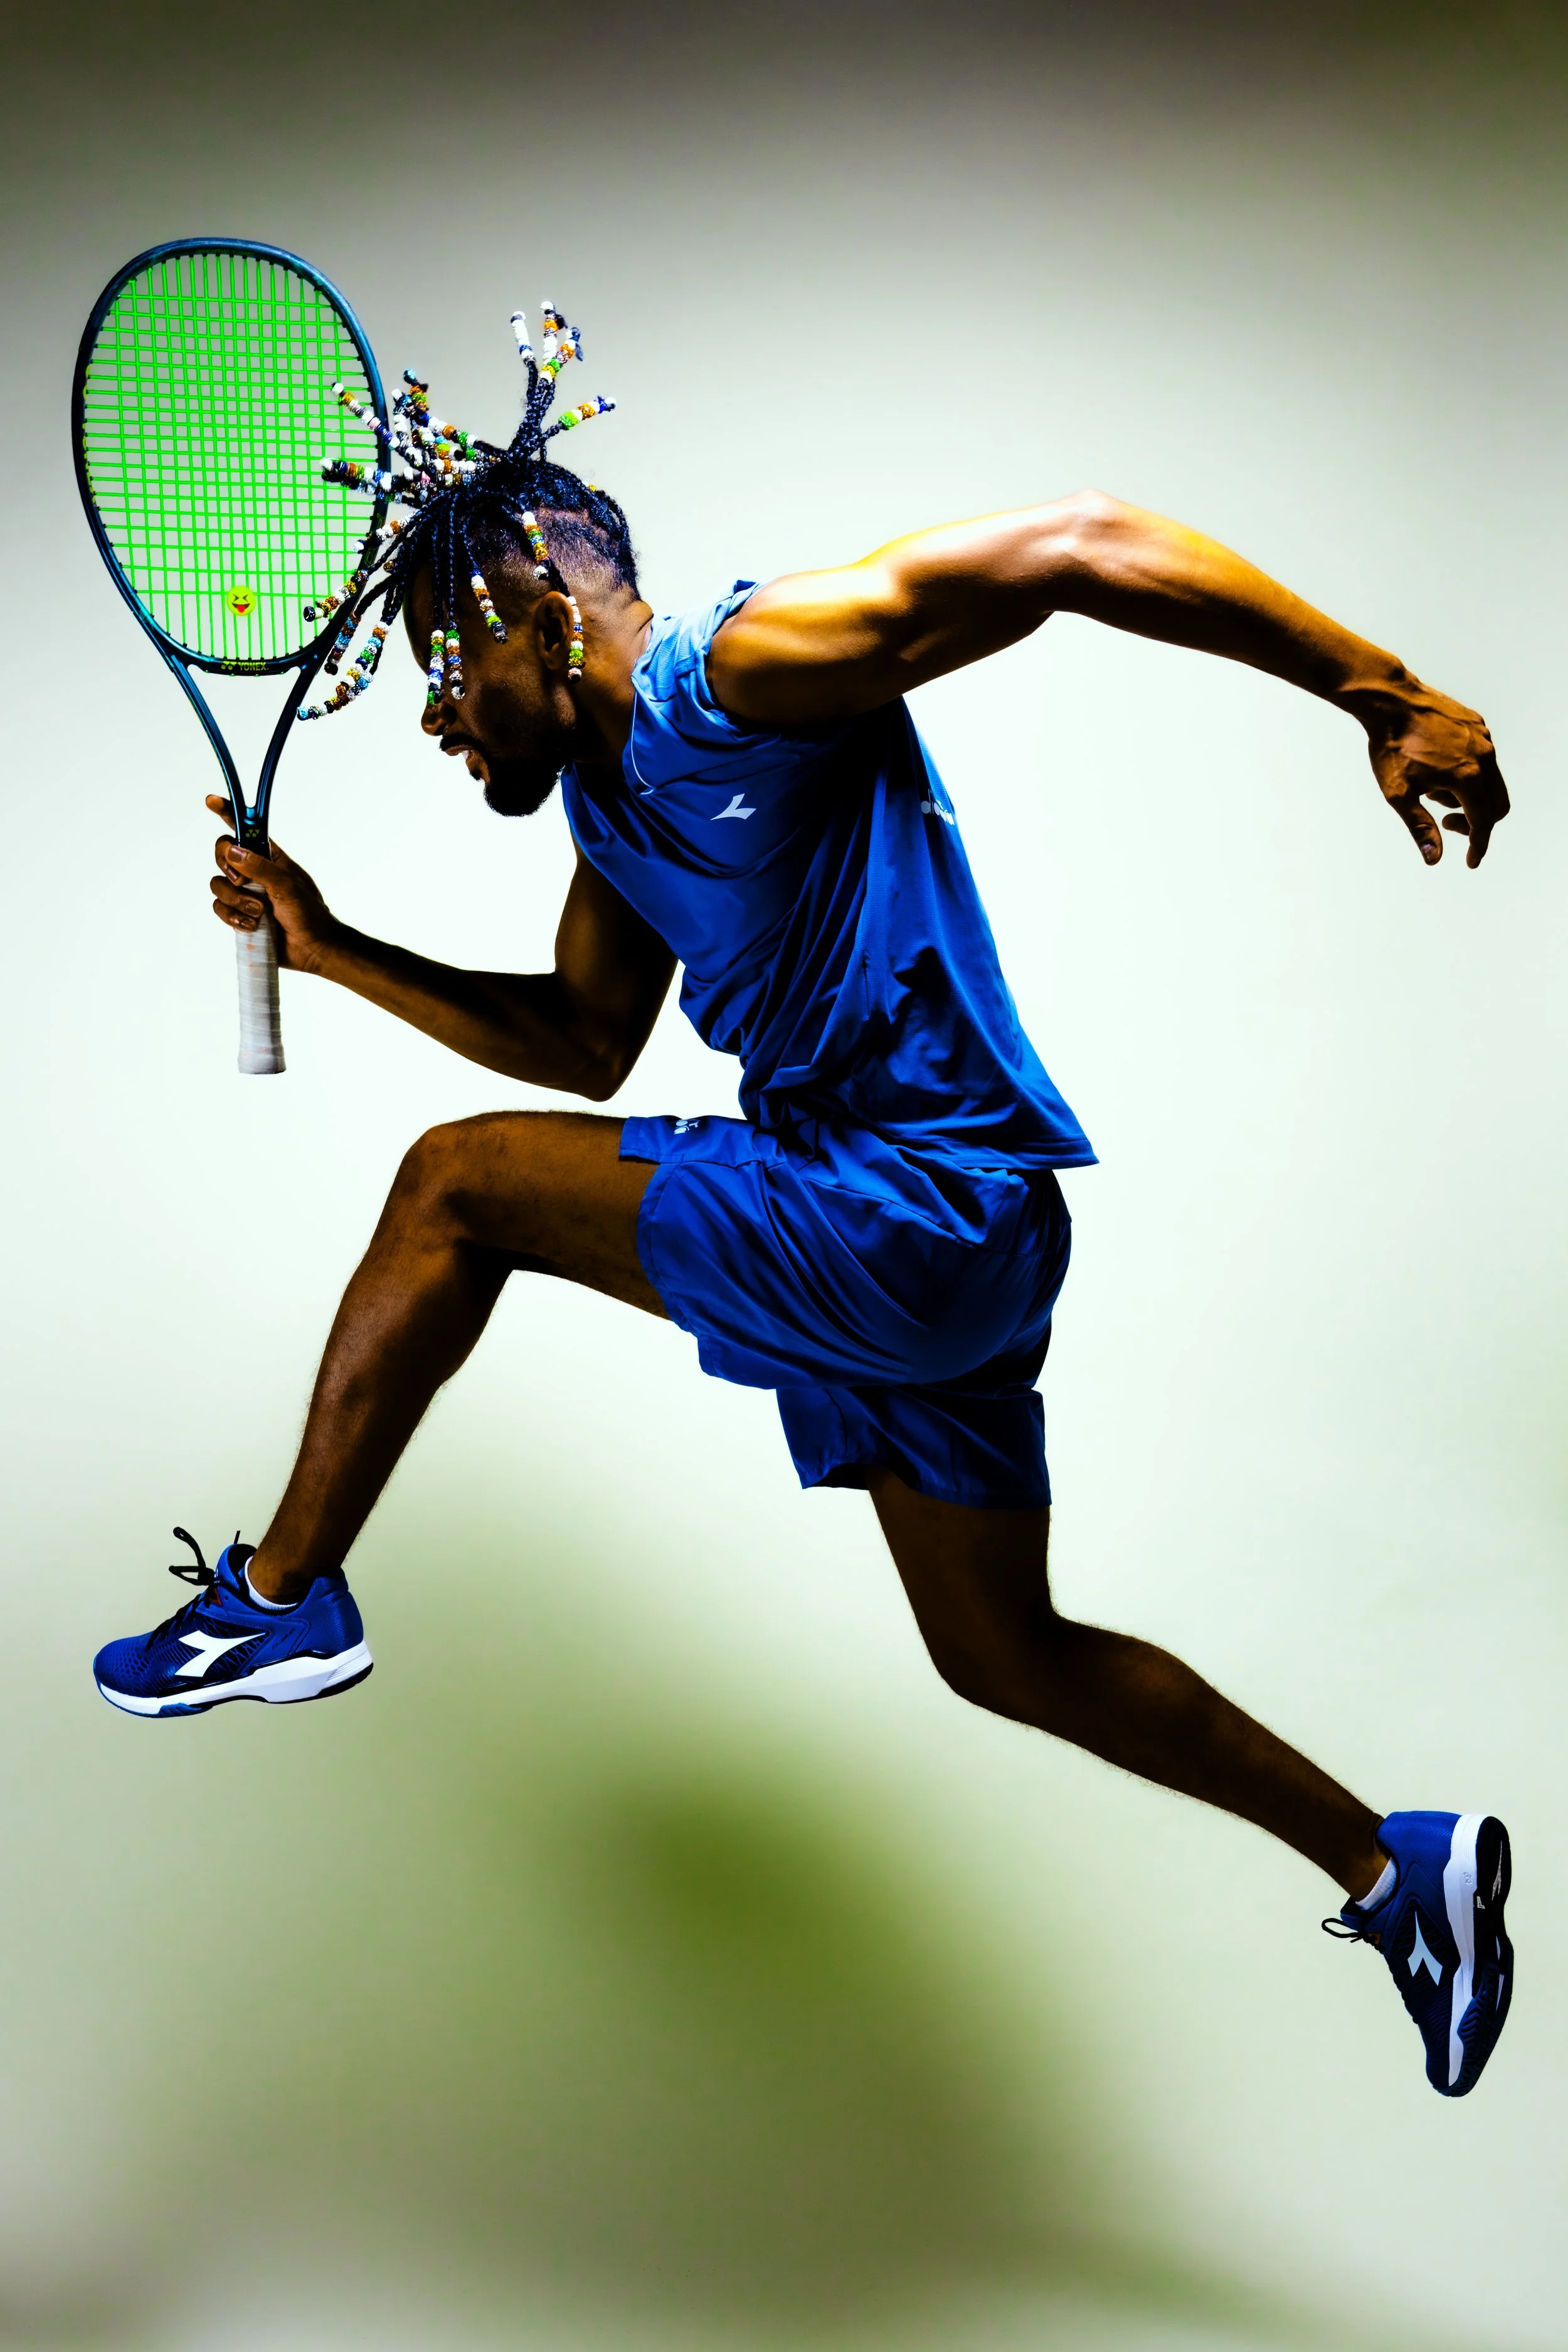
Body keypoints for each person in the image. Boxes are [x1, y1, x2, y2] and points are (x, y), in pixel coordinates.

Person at [94, 305, 1514, 2097]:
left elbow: (1076, 540)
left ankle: (283, 1593)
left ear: (538, 618)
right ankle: (1398, 1868)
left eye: (441, 681)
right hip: (930, 1248)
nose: (442, 727)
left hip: (908, 1203)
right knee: (1004, 1651)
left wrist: (1380, 691)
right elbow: (585, 1042)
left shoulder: (740, 667)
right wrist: (333, 944)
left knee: (448, 1184)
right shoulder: (607, 814)